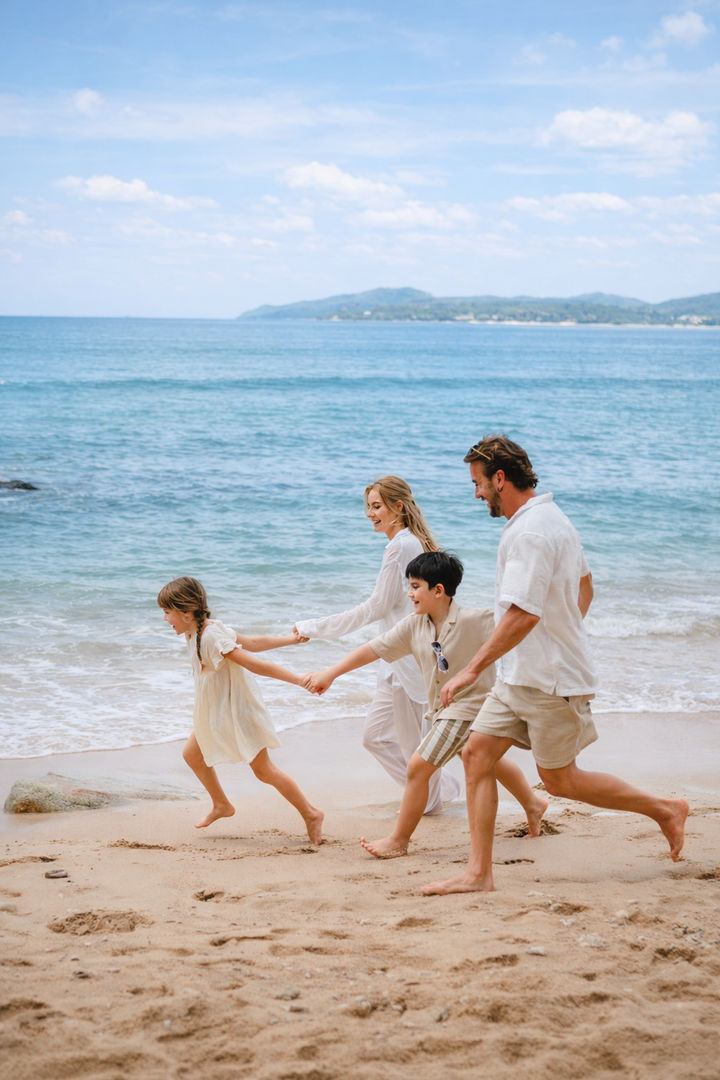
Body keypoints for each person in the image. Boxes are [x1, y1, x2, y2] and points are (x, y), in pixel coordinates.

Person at [422, 436, 689, 896]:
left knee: (560, 780)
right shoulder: (551, 518)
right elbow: (585, 587)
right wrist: (560, 635)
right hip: (520, 675)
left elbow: (523, 613)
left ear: (499, 478)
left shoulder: (531, 531)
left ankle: (665, 809)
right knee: (476, 754)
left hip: (550, 679)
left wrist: (470, 670)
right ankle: (478, 873)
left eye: (478, 484)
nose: (476, 494)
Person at [304, 550, 547, 858]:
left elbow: (520, 627)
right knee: (490, 761)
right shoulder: (414, 626)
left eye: (416, 586)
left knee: (419, 767)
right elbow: (373, 649)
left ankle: (398, 840)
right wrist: (331, 674)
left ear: (438, 590)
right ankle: (533, 804)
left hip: (471, 707)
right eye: (410, 585)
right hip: (445, 710)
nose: (409, 593)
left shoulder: (478, 620)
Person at [294, 476, 461, 813]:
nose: (370, 514)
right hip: (396, 661)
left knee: (417, 747)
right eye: (368, 507)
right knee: (375, 737)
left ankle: (427, 805)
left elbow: (375, 608)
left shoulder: (401, 545)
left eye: (376, 506)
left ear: (398, 507)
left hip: (410, 662)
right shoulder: (408, 542)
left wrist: (314, 627)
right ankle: (437, 793)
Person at [158, 576, 323, 844]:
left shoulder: (211, 635)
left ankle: (311, 813)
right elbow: (253, 641)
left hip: (237, 710)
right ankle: (222, 805)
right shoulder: (196, 631)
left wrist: (298, 679)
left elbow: (254, 663)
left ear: (187, 612)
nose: (165, 619)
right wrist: (291, 640)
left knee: (264, 770)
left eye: (168, 613)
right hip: (216, 709)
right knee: (192, 754)